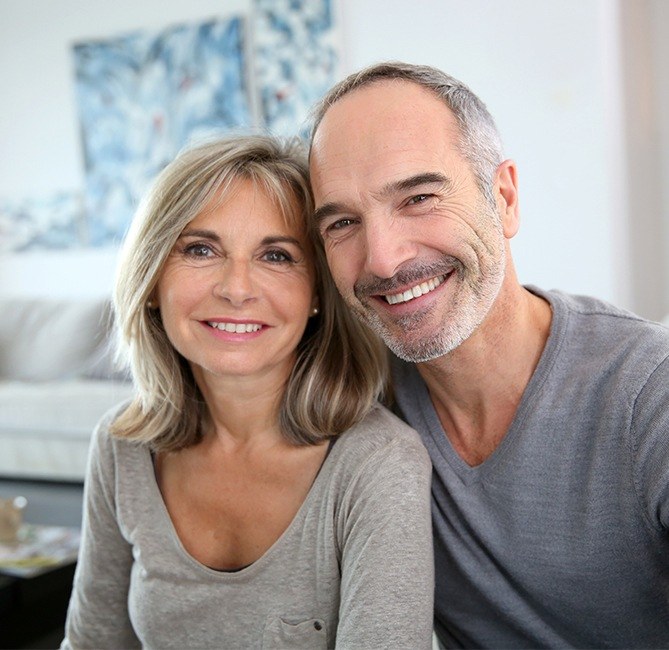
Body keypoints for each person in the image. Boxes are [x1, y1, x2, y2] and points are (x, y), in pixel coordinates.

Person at [308, 61, 669, 648]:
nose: (382, 260)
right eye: (343, 222)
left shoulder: (648, 390)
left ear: (503, 197)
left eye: (419, 197)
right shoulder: (355, 403)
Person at [61, 135, 434, 649]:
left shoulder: (378, 463)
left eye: (277, 256)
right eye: (200, 249)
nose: (236, 289)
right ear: (151, 279)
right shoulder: (122, 448)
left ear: (318, 296)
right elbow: (90, 644)